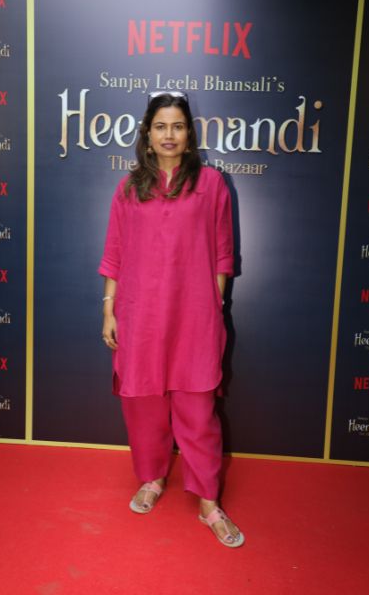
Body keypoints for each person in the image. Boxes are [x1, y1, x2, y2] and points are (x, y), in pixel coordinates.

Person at [98, 91, 244, 548]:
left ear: (189, 134)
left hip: (194, 316)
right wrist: (109, 307)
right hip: (139, 314)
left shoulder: (211, 185)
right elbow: (115, 253)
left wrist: (213, 305)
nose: (169, 135)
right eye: (160, 126)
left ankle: (208, 502)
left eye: (177, 126)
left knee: (198, 410)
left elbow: (223, 254)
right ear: (147, 134)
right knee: (143, 404)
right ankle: (152, 477)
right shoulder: (128, 188)